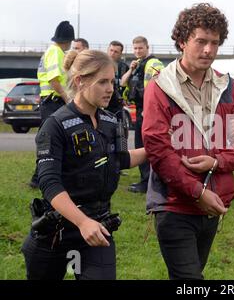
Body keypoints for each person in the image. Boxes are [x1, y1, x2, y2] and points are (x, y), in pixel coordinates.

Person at [142, 3, 234, 279]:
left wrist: (217, 162)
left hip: (215, 204)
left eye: (215, 43)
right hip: (174, 203)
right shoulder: (159, 87)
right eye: (201, 41)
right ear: (182, 41)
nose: (208, 50)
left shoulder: (230, 87)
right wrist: (197, 192)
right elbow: (158, 150)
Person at [21, 50, 148, 280]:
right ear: (80, 81)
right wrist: (82, 222)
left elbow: (119, 160)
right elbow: (49, 183)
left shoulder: (110, 121)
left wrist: (156, 150)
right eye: (102, 82)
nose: (110, 89)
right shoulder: (55, 125)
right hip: (55, 235)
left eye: (112, 81)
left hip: (97, 230)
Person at [29, 21, 75, 188]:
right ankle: (38, 177)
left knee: (50, 138)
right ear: (68, 40)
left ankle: (40, 176)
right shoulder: (56, 52)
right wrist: (67, 98)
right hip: (54, 100)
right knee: (49, 139)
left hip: (49, 100)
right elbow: (54, 79)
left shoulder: (51, 51)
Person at [121, 36, 164, 193]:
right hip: (139, 110)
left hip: (149, 112)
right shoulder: (137, 65)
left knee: (146, 147)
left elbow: (158, 88)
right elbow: (122, 83)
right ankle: (146, 180)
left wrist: (149, 110)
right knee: (141, 146)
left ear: (147, 47)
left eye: (140, 48)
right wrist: (131, 69)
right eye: (135, 48)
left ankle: (148, 182)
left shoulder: (154, 64)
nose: (138, 51)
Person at [106, 41, 129, 122]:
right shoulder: (100, 65)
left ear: (120, 54)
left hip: (118, 106)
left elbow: (129, 86)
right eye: (111, 50)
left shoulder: (124, 68)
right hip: (103, 104)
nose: (112, 53)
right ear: (107, 50)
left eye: (116, 52)